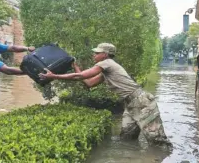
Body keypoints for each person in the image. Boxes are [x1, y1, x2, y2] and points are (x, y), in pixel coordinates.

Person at [39, 43, 172, 149]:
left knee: (158, 142)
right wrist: (76, 67)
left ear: (105, 55)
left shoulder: (107, 63)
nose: (94, 55)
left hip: (142, 103)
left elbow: (81, 76)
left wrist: (53, 76)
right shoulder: (107, 70)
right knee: (127, 139)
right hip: (130, 104)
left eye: (97, 53)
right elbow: (89, 83)